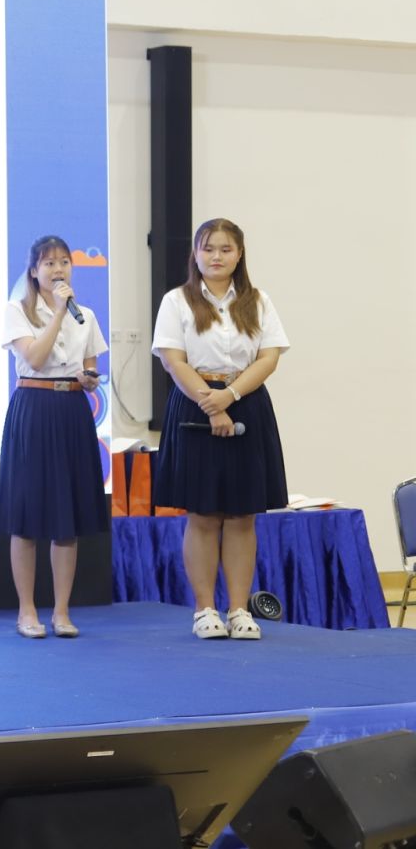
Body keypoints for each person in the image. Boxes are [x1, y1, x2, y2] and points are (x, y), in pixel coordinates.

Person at [151, 218, 289, 640]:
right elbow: (173, 361)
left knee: (243, 515)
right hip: (194, 404)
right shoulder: (177, 301)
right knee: (204, 514)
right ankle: (204, 609)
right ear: (195, 253)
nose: (216, 256)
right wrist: (211, 404)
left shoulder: (258, 301)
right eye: (208, 248)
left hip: (247, 403)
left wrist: (228, 396)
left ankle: (239, 609)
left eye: (225, 249)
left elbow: (268, 358)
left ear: (239, 254)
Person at [0, 235, 109, 639]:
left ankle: (61, 611)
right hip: (34, 408)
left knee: (66, 517)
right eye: (49, 263)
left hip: (72, 410)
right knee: (26, 515)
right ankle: (27, 611)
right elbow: (35, 358)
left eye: (64, 262)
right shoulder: (17, 311)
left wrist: (89, 379)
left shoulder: (86, 315)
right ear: (33, 271)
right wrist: (58, 313)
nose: (58, 270)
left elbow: (91, 370)